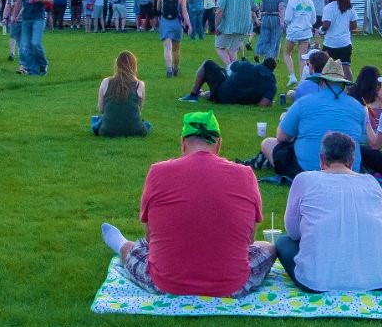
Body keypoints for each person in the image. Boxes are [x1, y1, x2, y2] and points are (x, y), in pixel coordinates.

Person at [102, 112, 275, 296]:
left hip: (165, 283)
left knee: (136, 249)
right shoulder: (245, 174)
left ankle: (122, 245)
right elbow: (248, 241)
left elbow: (152, 238)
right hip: (233, 286)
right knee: (269, 247)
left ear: (183, 142)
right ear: (219, 143)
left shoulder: (157, 172)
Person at [275, 132, 382, 293]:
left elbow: (293, 233)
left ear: (322, 159)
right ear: (351, 161)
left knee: (283, 242)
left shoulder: (304, 180)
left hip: (318, 281)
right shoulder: (371, 182)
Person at [261, 63, 368, 177]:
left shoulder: (303, 102)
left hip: (306, 169)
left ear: (321, 82)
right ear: (343, 85)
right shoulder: (358, 107)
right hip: (351, 170)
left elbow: (281, 137)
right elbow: (361, 138)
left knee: (267, 143)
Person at [181, 53, 278, 108]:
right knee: (225, 90)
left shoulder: (247, 66)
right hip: (239, 99)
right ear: (272, 71)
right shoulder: (272, 85)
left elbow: (232, 66)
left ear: (262, 63)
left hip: (223, 94)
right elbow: (263, 105)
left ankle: (193, 95)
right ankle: (201, 94)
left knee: (207, 63)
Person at [94, 50, 150, 137]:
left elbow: (101, 109)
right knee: (146, 125)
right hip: (136, 130)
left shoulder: (106, 82)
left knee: (96, 121)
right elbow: (139, 109)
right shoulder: (139, 84)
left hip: (107, 131)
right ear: (134, 66)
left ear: (117, 65)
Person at [212, 0, 256, 67]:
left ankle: (230, 69)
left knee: (220, 47)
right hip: (243, 26)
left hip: (228, 25)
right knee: (233, 50)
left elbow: (219, 10)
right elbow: (254, 7)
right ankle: (236, 71)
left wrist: (216, 26)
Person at [15, 0, 52, 76]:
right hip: (26, 18)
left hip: (38, 18)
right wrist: (14, 16)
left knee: (35, 43)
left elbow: (50, 0)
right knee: (25, 45)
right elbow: (19, 2)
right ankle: (32, 70)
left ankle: (43, 63)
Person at [279, 0, 316, 83]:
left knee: (287, 53)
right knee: (302, 57)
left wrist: (290, 23)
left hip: (293, 31)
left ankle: (292, 76)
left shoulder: (292, 0)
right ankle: (302, 80)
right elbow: (313, 20)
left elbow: (287, 18)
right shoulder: (310, 2)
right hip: (306, 32)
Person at [155, 0, 189, 79]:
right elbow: (185, 13)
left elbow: (158, 8)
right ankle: (176, 68)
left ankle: (169, 69)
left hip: (165, 22)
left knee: (167, 48)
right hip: (177, 23)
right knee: (176, 49)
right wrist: (189, 25)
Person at [319, 0, 358, 66]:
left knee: (327, 69)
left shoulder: (328, 7)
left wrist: (320, 30)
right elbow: (354, 25)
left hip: (330, 43)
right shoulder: (349, 7)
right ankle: (349, 80)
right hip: (345, 42)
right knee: (345, 67)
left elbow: (326, 25)